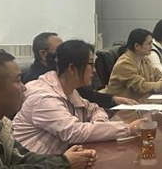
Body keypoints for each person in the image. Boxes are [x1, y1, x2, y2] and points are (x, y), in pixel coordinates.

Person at [13, 40, 142, 155]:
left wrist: (99, 124)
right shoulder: (43, 98)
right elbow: (74, 133)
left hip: (59, 162)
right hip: (35, 168)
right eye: (90, 64)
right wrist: (128, 129)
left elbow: (95, 109)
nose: (94, 70)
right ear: (72, 68)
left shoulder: (69, 90)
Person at [22, 32, 136, 109]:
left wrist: (112, 100)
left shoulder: (63, 77)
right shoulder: (37, 82)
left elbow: (88, 101)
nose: (65, 52)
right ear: (43, 54)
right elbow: (73, 130)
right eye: (59, 50)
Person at [105, 28, 162, 101]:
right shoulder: (124, 64)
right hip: (121, 107)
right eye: (149, 43)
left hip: (139, 101)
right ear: (137, 46)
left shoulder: (144, 60)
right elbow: (141, 86)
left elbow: (159, 75)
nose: (151, 46)